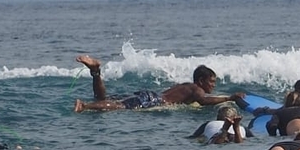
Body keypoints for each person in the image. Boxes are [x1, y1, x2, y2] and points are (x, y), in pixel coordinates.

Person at [73, 55, 247, 112]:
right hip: (154, 100)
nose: (213, 86)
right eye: (211, 82)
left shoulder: (186, 86)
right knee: (118, 106)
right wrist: (229, 98)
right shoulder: (196, 89)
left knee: (105, 98)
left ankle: (95, 72)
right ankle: (85, 106)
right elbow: (204, 101)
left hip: (150, 95)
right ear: (201, 81)